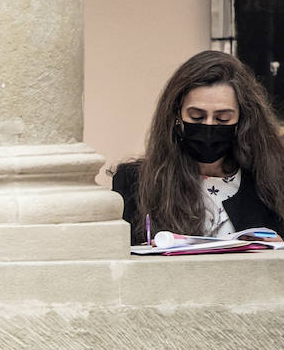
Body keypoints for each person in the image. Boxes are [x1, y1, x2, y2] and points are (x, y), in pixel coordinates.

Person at [112, 50, 284, 245]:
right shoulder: (134, 181)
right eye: (196, 117)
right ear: (176, 114)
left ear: (242, 121)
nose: (209, 126)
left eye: (222, 118)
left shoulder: (272, 181)